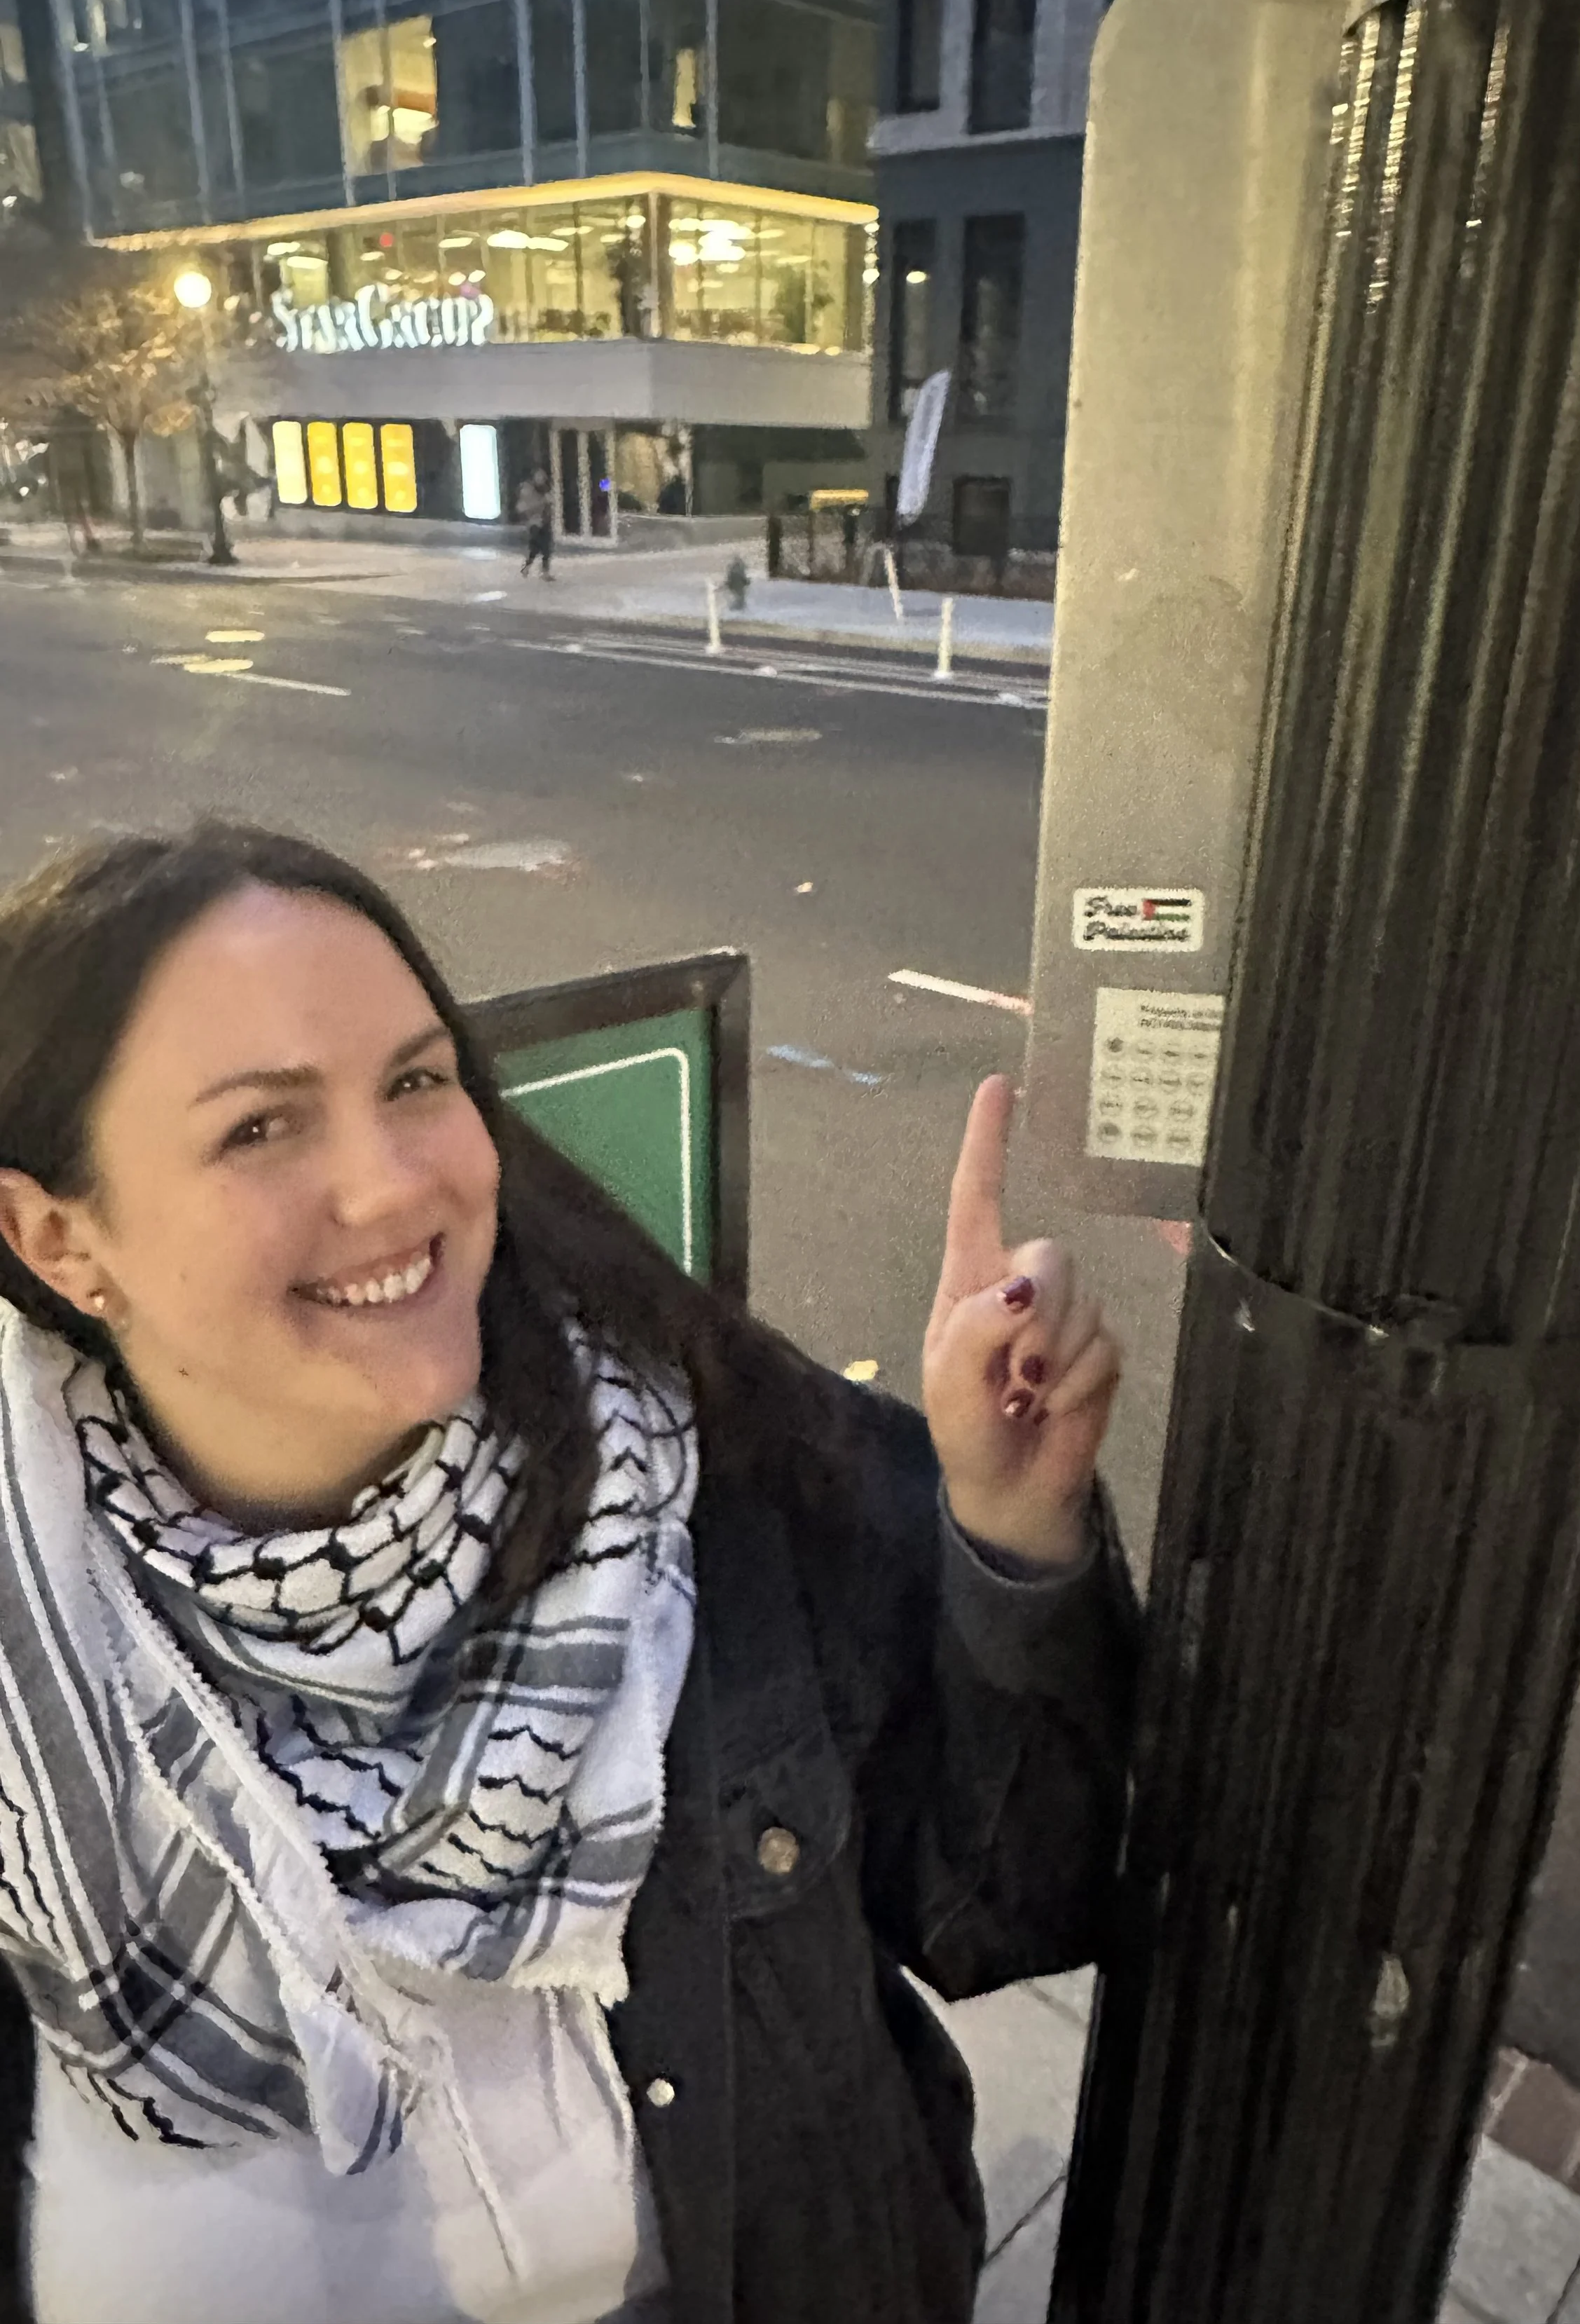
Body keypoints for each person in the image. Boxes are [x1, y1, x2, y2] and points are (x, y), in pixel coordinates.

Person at [0, 823, 1139, 2324]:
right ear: (60, 1238)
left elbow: (1015, 1900)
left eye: (416, 1080)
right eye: (260, 1128)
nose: (392, 1183)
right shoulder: (39, 1618)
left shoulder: (702, 1469)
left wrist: (1010, 1528)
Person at [516, 467, 554, 580]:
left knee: (544, 547)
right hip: (534, 523)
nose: (541, 479)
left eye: (543, 477)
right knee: (539, 547)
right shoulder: (528, 490)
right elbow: (524, 507)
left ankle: (538, 570)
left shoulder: (545, 490)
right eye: (539, 476)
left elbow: (548, 507)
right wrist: (543, 501)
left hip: (544, 522)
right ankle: (535, 569)